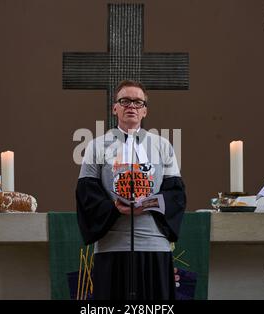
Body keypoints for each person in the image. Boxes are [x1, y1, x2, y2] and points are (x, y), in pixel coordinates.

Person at [76, 80, 186, 300]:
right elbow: (86, 195)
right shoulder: (96, 146)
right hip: (112, 246)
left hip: (154, 245)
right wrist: (115, 208)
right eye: (125, 101)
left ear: (145, 110)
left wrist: (148, 204)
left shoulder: (162, 145)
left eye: (137, 102)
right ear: (114, 107)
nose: (131, 106)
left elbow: (176, 195)